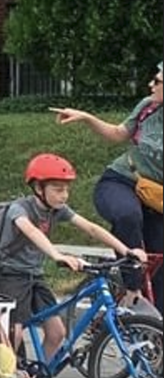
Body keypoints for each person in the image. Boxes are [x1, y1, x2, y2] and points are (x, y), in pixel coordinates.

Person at [0, 153, 146, 378]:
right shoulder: (20, 209)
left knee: (57, 332)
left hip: (34, 276)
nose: (64, 195)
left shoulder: (57, 211)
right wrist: (57, 255)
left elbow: (92, 229)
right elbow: (31, 232)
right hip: (9, 275)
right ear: (38, 188)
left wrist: (126, 249)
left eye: (66, 189)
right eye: (57, 189)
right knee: (13, 333)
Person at [52, 62, 164, 313]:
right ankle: (131, 288)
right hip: (121, 181)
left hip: (157, 199)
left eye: (157, 81)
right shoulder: (148, 107)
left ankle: (153, 334)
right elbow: (117, 133)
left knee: (159, 266)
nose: (151, 85)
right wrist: (86, 117)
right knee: (128, 216)